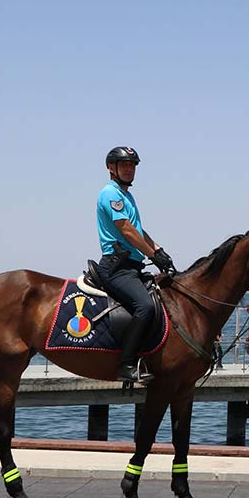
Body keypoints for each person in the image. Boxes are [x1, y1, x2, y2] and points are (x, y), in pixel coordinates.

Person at [95, 146, 177, 384]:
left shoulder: (126, 195)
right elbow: (128, 231)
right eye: (124, 165)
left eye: (132, 165)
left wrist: (160, 252)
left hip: (132, 265)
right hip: (116, 267)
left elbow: (139, 231)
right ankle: (126, 364)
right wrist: (153, 255)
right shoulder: (109, 193)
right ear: (112, 168)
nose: (129, 169)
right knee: (145, 306)